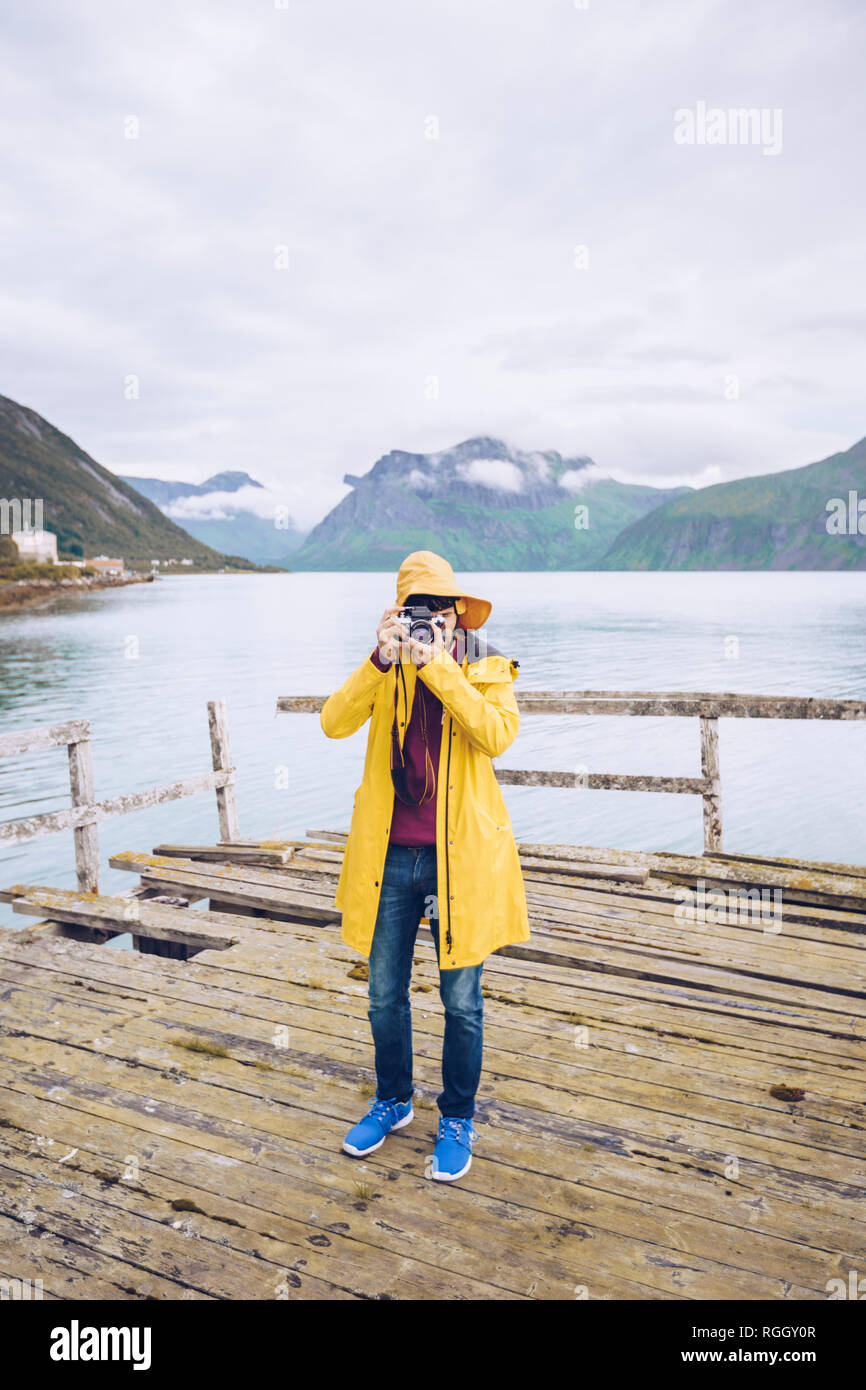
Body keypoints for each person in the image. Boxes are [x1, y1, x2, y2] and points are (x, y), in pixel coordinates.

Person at [320, 549, 530, 1181]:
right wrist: (380, 660)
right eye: (417, 612)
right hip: (389, 858)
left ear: (458, 616)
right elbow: (333, 723)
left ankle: (457, 1116)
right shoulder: (384, 671)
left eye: (440, 611)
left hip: (456, 863)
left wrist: (438, 668)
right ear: (398, 615)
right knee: (384, 994)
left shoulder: (487, 668)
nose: (429, 622)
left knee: (461, 1001)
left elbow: (495, 736)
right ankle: (393, 1100)